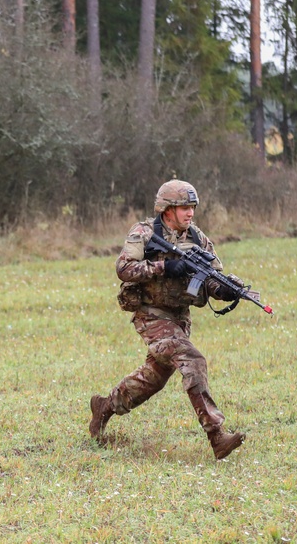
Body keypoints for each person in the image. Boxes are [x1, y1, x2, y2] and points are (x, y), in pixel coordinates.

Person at [89, 179, 251, 460]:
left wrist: (223, 290)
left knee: (152, 379)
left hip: (179, 318)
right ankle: (217, 436)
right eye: (184, 208)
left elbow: (213, 275)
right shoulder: (144, 232)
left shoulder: (198, 238)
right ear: (167, 210)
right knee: (193, 360)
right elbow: (123, 268)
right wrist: (165, 266)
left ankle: (105, 407)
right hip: (151, 314)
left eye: (192, 208)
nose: (190, 213)